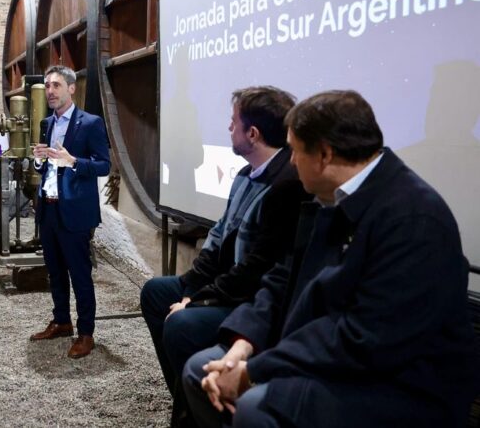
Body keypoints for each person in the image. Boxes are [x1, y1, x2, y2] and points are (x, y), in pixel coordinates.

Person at [184, 90, 480, 428]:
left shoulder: (413, 218)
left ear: (324, 154)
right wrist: (244, 344)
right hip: (331, 352)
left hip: (404, 384)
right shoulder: (333, 198)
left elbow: (366, 339)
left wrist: (253, 373)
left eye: (295, 150)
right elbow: (282, 278)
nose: (291, 162)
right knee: (200, 371)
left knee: (256, 407)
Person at [140, 87, 308, 425]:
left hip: (248, 297)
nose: (228, 129)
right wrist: (189, 287)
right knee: (156, 292)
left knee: (180, 324)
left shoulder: (286, 186)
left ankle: (196, 408)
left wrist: (195, 302)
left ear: (253, 134)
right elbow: (218, 238)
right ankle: (188, 395)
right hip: (225, 285)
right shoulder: (246, 175)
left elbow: (255, 271)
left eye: (233, 123)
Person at [29, 65, 110, 359]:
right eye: (48, 85)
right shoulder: (45, 124)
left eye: (56, 86)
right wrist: (38, 161)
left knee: (80, 275)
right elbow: (44, 167)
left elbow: (104, 165)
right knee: (55, 272)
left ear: (71, 89)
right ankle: (62, 321)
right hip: (48, 209)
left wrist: (73, 161)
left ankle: (86, 333)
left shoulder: (90, 124)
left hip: (75, 212)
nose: (50, 91)